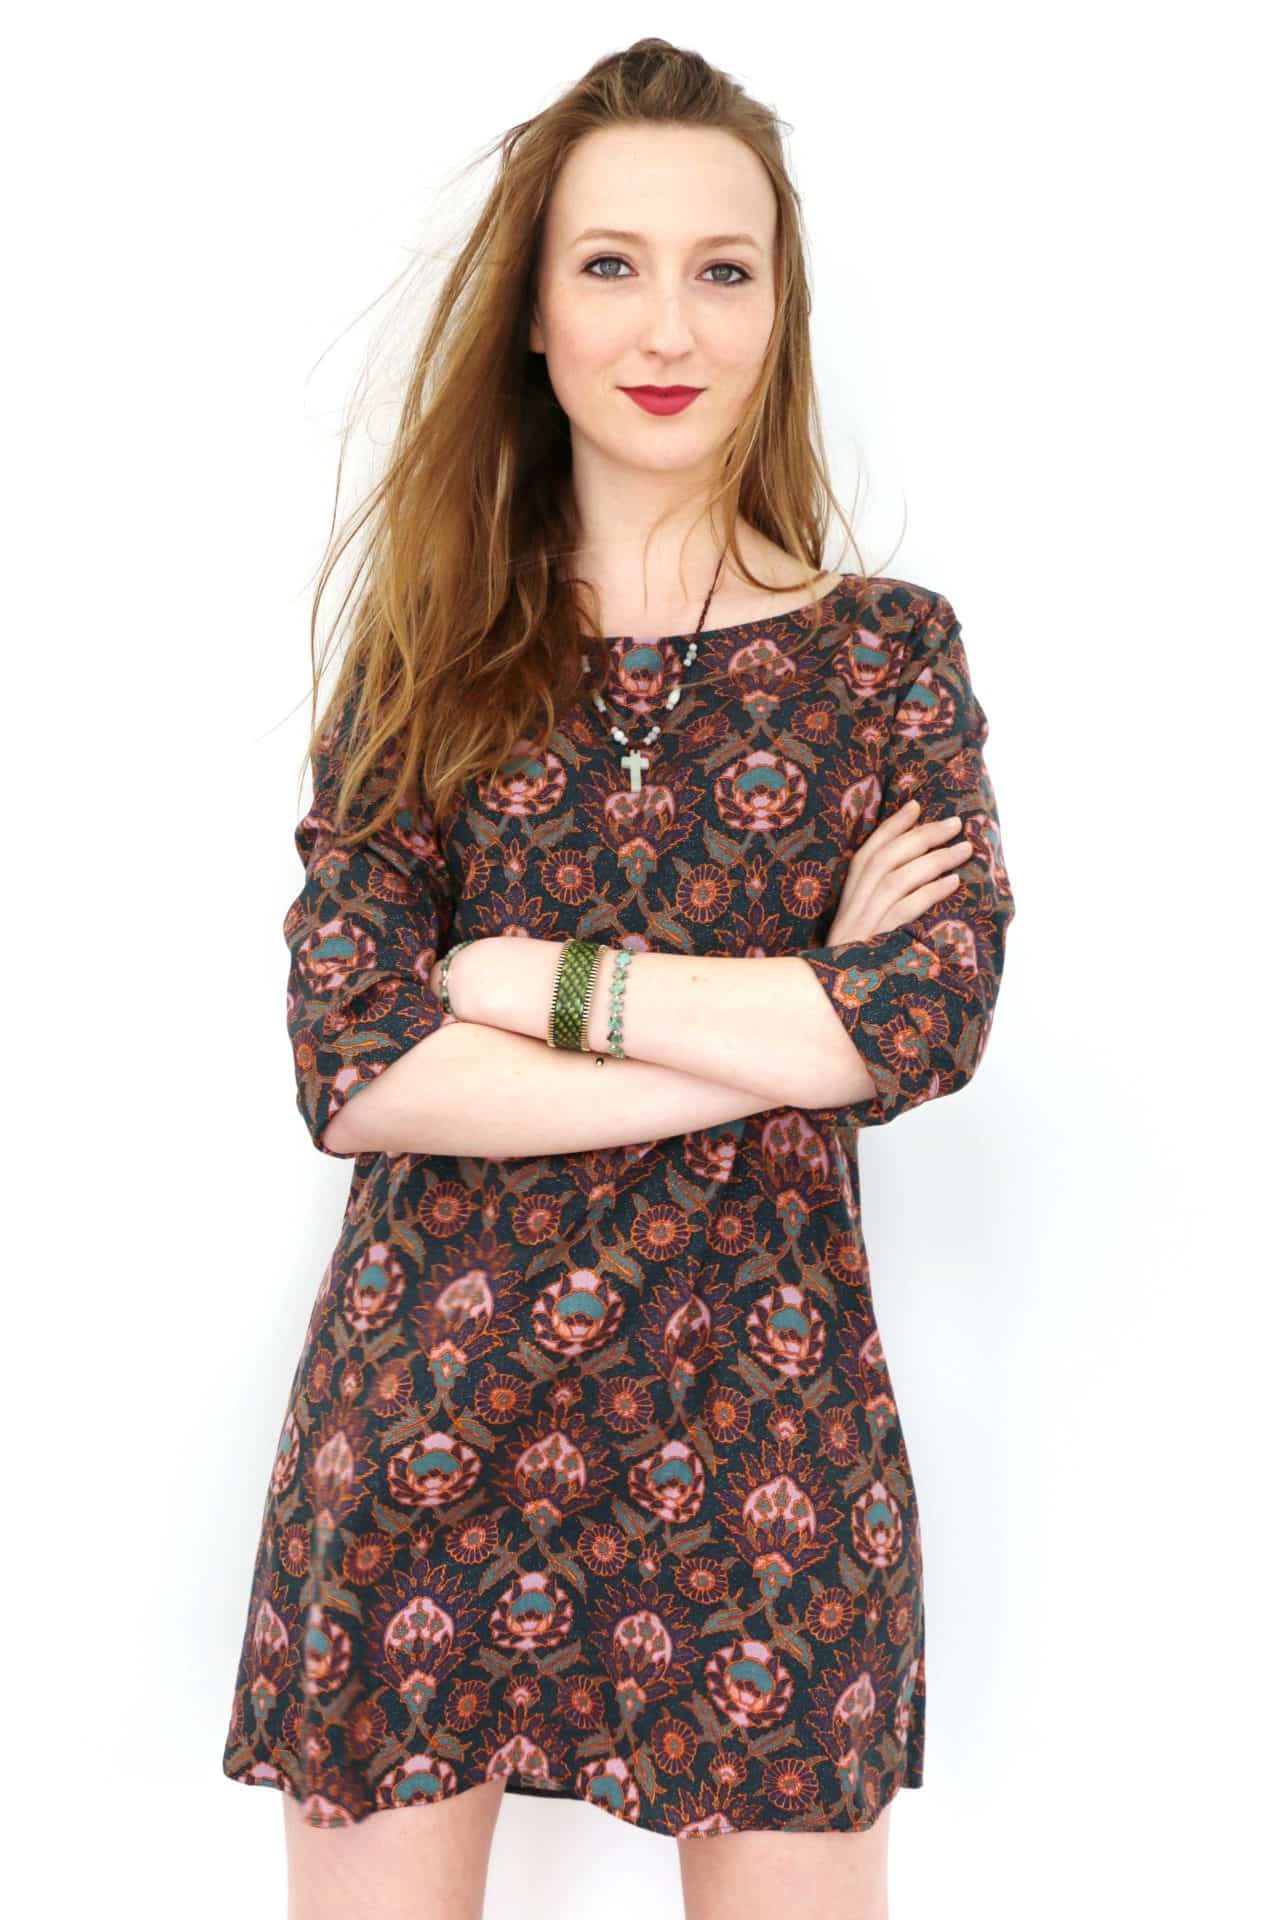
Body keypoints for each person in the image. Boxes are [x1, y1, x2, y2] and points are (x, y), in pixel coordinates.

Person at [221, 35, 1016, 1920]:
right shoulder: (426, 661)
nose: (671, 324)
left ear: (778, 311)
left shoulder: (886, 658)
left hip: (775, 1436)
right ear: (534, 313)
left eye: (722, 269)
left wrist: (530, 979)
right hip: (427, 1426)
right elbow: (359, 1070)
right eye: (612, 264)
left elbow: (925, 1021)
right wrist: (792, 1026)